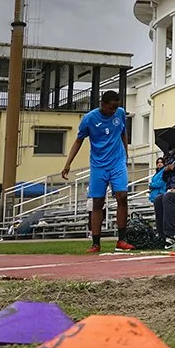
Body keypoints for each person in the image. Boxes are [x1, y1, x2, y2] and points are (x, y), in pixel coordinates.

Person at [62, 90, 134, 253]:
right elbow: (78, 141)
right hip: (99, 165)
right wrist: (68, 163)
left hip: (117, 162)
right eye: (111, 107)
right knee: (97, 202)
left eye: (116, 108)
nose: (113, 111)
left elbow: (123, 132)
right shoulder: (89, 119)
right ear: (103, 104)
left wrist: (126, 151)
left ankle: (122, 239)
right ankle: (95, 242)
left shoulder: (120, 114)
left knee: (122, 196)